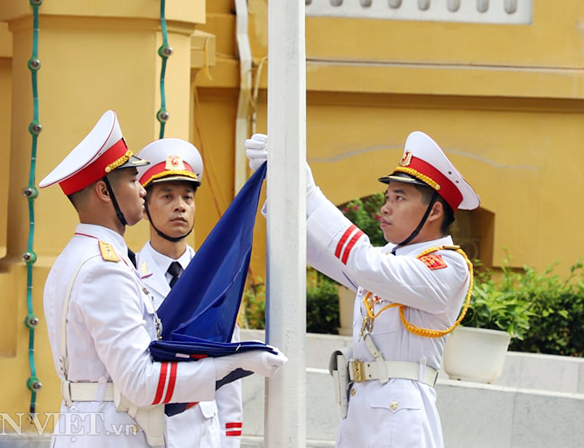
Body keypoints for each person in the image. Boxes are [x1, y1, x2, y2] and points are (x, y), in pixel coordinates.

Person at [39, 110, 287, 448]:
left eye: (187, 196)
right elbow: (139, 381)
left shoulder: (77, 256)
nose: (140, 191)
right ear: (102, 191)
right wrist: (231, 364)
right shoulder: (103, 268)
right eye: (130, 181)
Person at [245, 131, 479, 448]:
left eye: (399, 198)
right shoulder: (387, 259)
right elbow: (316, 252)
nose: (385, 207)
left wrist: (310, 194)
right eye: (387, 197)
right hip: (361, 407)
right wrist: (287, 189)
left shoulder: (448, 267)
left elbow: (363, 263)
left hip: (401, 416)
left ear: (434, 211)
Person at [134, 138, 244, 448]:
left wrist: (230, 442)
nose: (180, 206)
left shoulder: (216, 279)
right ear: (144, 207)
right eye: (167, 196)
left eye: (187, 197)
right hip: (146, 430)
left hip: (203, 435)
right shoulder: (128, 274)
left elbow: (229, 372)